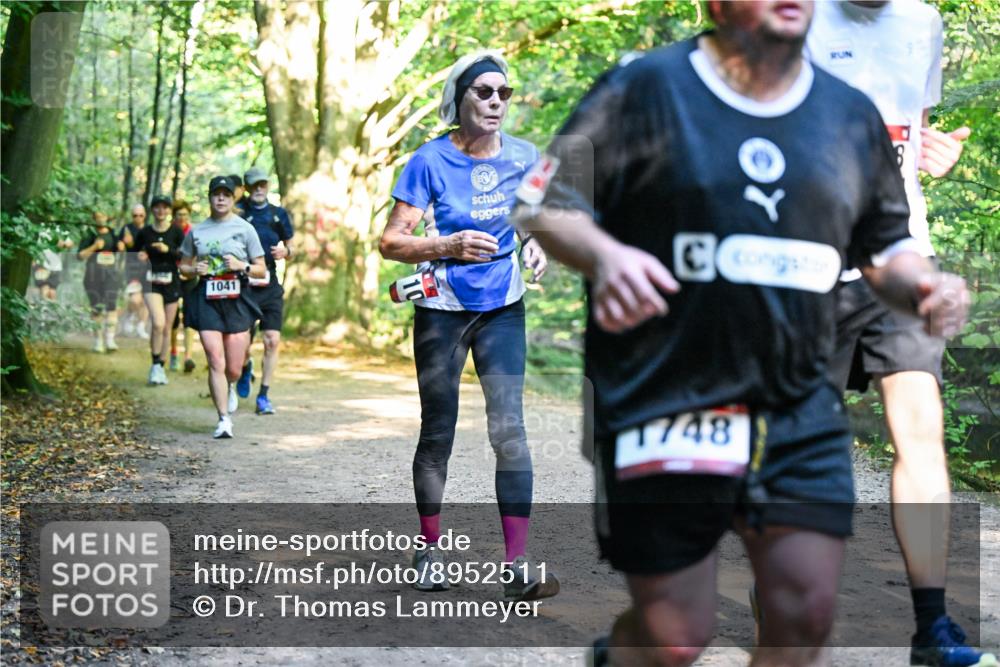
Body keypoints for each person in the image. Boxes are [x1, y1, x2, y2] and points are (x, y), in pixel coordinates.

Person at [513, 1, 970, 664]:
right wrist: (606, 255)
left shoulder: (848, 115)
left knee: (804, 612)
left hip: (797, 400)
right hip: (666, 391)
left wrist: (923, 284)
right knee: (676, 632)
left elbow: (887, 247)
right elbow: (543, 201)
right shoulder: (644, 85)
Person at [801, 4, 992, 666]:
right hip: (806, 264)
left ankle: (931, 625)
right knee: (800, 443)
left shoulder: (923, 22)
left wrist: (936, 151)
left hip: (903, 258)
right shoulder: (792, 15)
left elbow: (910, 128)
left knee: (920, 430)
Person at [379, 50, 553, 601]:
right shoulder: (429, 160)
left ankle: (519, 564)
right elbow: (391, 242)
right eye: (484, 91)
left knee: (510, 431)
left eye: (504, 92)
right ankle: (429, 552)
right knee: (439, 432)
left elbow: (529, 220)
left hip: (503, 308)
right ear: (459, 99)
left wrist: (536, 244)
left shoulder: (525, 157)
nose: (497, 101)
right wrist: (447, 244)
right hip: (441, 312)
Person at [179, 176, 267, 439]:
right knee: (214, 359)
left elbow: (261, 269)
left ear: (233, 198)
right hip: (206, 298)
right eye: (216, 194)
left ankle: (231, 384)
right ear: (209, 198)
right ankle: (223, 419)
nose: (220, 198)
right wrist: (193, 269)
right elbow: (183, 267)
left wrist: (243, 267)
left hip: (237, 299)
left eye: (226, 195)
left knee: (233, 368)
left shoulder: (245, 229)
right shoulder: (197, 231)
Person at [233, 166, 294, 415]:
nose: (259, 189)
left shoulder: (278, 214)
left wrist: (286, 252)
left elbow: (293, 247)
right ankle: (245, 366)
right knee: (243, 342)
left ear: (268, 186)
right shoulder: (238, 213)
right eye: (254, 185)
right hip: (244, 284)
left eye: (263, 184)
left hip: (270, 283)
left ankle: (264, 395)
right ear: (246, 188)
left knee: (272, 340)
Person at [136, 195, 185, 385]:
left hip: (171, 282)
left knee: (166, 327)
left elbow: (184, 254)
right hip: (151, 282)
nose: (161, 211)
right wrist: (140, 254)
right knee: (157, 322)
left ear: (169, 211)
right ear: (152, 210)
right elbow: (135, 251)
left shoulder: (176, 231)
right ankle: (155, 364)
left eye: (165, 208)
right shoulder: (145, 232)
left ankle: (160, 368)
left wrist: (167, 250)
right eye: (157, 207)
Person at [78, 211, 125, 353]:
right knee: (96, 308)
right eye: (97, 216)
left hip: (111, 276)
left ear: (107, 217)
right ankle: (98, 341)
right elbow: (80, 256)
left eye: (103, 216)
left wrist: (122, 247)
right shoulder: (89, 234)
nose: (100, 219)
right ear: (94, 218)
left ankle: (110, 340)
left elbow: (121, 250)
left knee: (111, 306)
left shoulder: (113, 234)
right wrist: (94, 247)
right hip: (93, 277)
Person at [170, 200, 198, 373]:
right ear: (174, 216)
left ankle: (188, 356)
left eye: (185, 215)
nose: (182, 218)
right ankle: (173, 353)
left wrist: (192, 269)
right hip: (173, 277)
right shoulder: (170, 231)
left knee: (190, 316)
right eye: (179, 215)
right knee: (173, 318)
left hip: (190, 277)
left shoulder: (194, 231)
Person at [120, 203, 150, 338]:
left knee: (146, 299)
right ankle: (131, 315)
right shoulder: (126, 229)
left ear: (145, 216)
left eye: (141, 215)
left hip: (149, 269)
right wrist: (122, 244)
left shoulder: (150, 230)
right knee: (135, 299)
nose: (138, 218)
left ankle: (141, 326)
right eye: (135, 215)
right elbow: (118, 245)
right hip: (132, 269)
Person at [32, 229, 74, 301]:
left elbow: (70, 243)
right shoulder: (41, 228)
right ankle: (43, 309)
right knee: (44, 287)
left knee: (52, 292)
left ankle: (51, 310)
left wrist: (63, 244)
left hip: (56, 266)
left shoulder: (60, 229)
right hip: (41, 264)